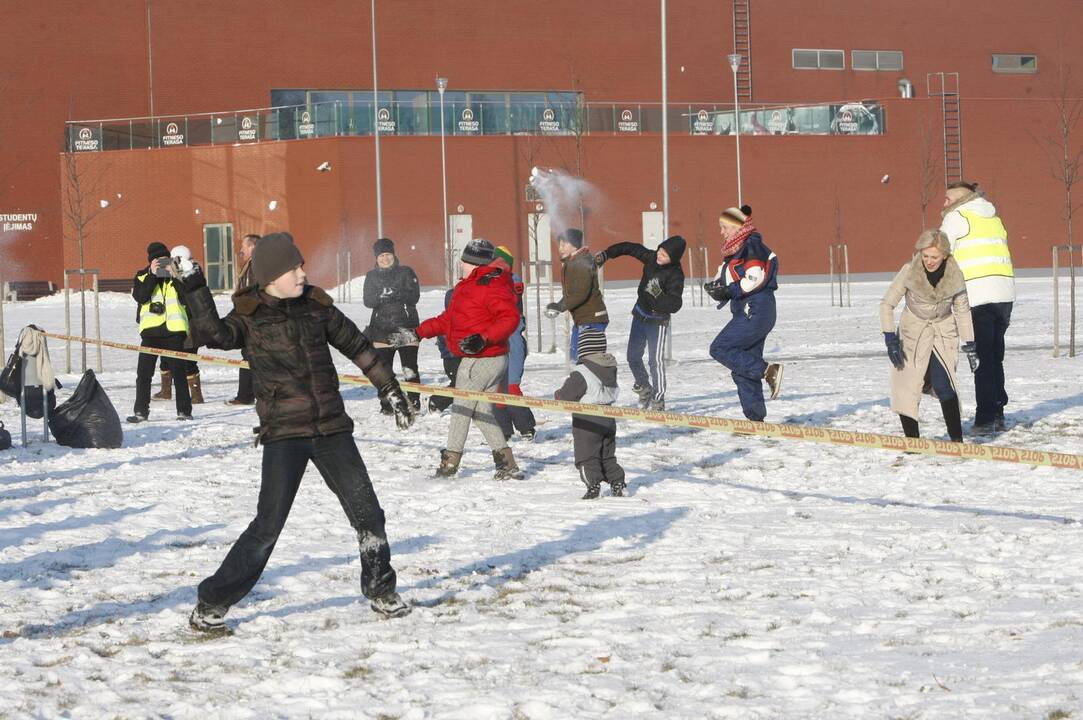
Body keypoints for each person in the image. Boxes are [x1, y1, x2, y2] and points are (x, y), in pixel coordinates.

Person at [180, 232, 415, 632]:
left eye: (302, 265)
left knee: (369, 514)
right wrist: (194, 284)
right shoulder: (249, 316)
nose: (303, 273)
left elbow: (358, 346)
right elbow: (212, 335)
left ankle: (380, 588)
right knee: (267, 527)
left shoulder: (316, 307)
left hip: (331, 429)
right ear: (273, 276)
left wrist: (388, 386)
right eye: (295, 268)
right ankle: (212, 601)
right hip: (284, 434)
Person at [390, 238, 525, 480]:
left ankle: (450, 463)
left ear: (474, 263)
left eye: (464, 261)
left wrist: (483, 338)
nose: (460, 264)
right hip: (481, 357)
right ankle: (507, 462)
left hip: (482, 359)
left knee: (462, 409)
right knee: (480, 410)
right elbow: (447, 320)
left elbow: (510, 318)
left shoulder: (490, 285)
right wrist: (417, 333)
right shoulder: (469, 286)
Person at [880, 229, 977, 442]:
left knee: (945, 385)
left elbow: (962, 310)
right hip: (912, 333)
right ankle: (912, 442)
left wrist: (970, 344)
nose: (929, 261)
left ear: (944, 255)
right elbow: (887, 304)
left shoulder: (955, 274)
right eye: (925, 256)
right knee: (907, 387)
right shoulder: (909, 271)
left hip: (942, 333)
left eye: (934, 257)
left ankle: (957, 441)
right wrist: (890, 338)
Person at [939, 181, 1015, 434]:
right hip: (1003, 294)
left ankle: (985, 419)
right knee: (995, 356)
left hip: (977, 296)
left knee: (980, 358)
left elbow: (939, 251)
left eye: (948, 199)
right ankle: (997, 411)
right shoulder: (994, 217)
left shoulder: (957, 217)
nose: (944, 204)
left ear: (961, 198)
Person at [704, 206, 783, 421]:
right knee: (742, 367)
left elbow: (754, 277)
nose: (721, 232)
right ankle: (755, 419)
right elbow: (733, 279)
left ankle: (769, 371)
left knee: (720, 348)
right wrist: (718, 289)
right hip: (750, 309)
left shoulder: (751, 245)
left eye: (724, 227)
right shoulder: (736, 250)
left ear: (737, 226)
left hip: (756, 308)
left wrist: (729, 290)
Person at [595, 235, 686, 410]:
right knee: (633, 357)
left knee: (655, 361)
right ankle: (645, 388)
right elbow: (629, 247)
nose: (660, 256)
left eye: (665, 255)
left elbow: (675, 304)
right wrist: (607, 254)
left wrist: (659, 294)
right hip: (640, 316)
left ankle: (658, 399)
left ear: (672, 259)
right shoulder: (651, 258)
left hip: (657, 322)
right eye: (660, 251)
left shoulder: (676, 275)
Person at [554, 328, 626, 499]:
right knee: (607, 455)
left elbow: (567, 395)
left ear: (583, 349)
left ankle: (592, 485)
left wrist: (558, 395)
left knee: (587, 455)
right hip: (608, 417)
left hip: (587, 420)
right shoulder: (609, 367)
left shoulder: (583, 372)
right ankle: (617, 482)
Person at [128, 241, 195, 423]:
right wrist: (152, 275)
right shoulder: (142, 276)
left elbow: (188, 297)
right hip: (150, 334)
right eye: (157, 260)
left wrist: (175, 276)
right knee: (143, 374)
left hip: (174, 332)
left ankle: (184, 411)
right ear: (150, 261)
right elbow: (141, 297)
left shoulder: (178, 273)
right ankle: (141, 411)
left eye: (164, 259)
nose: (162, 263)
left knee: (179, 374)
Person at [363, 237, 422, 412]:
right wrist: (381, 296)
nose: (385, 258)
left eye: (388, 254)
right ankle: (387, 404)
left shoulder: (406, 272)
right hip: (381, 329)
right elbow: (368, 301)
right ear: (376, 258)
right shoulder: (371, 276)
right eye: (381, 256)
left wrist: (397, 293)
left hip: (406, 327)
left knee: (409, 369)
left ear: (394, 255)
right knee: (383, 371)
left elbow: (415, 297)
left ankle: (414, 402)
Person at [491, 245, 537, 441]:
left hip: (513, 342)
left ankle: (526, 428)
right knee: (496, 389)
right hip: (495, 343)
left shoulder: (513, 280)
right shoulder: (487, 281)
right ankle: (504, 430)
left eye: (500, 264)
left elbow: (515, 289)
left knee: (511, 386)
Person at [544, 228, 609, 361]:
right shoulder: (574, 261)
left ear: (574, 245)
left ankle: (599, 381)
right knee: (576, 357)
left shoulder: (581, 262)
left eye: (564, 244)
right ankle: (583, 380)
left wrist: (561, 307)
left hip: (592, 319)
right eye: (559, 245)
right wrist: (558, 305)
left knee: (587, 359)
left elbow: (580, 293)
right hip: (584, 319)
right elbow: (572, 292)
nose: (560, 248)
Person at [226, 233, 260, 406]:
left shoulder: (257, 266)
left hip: (254, 320)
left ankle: (246, 396)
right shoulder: (251, 266)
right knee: (248, 356)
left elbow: (253, 294)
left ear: (253, 247)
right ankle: (246, 395)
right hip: (248, 318)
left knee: (251, 356)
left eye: (244, 247)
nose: (241, 250)